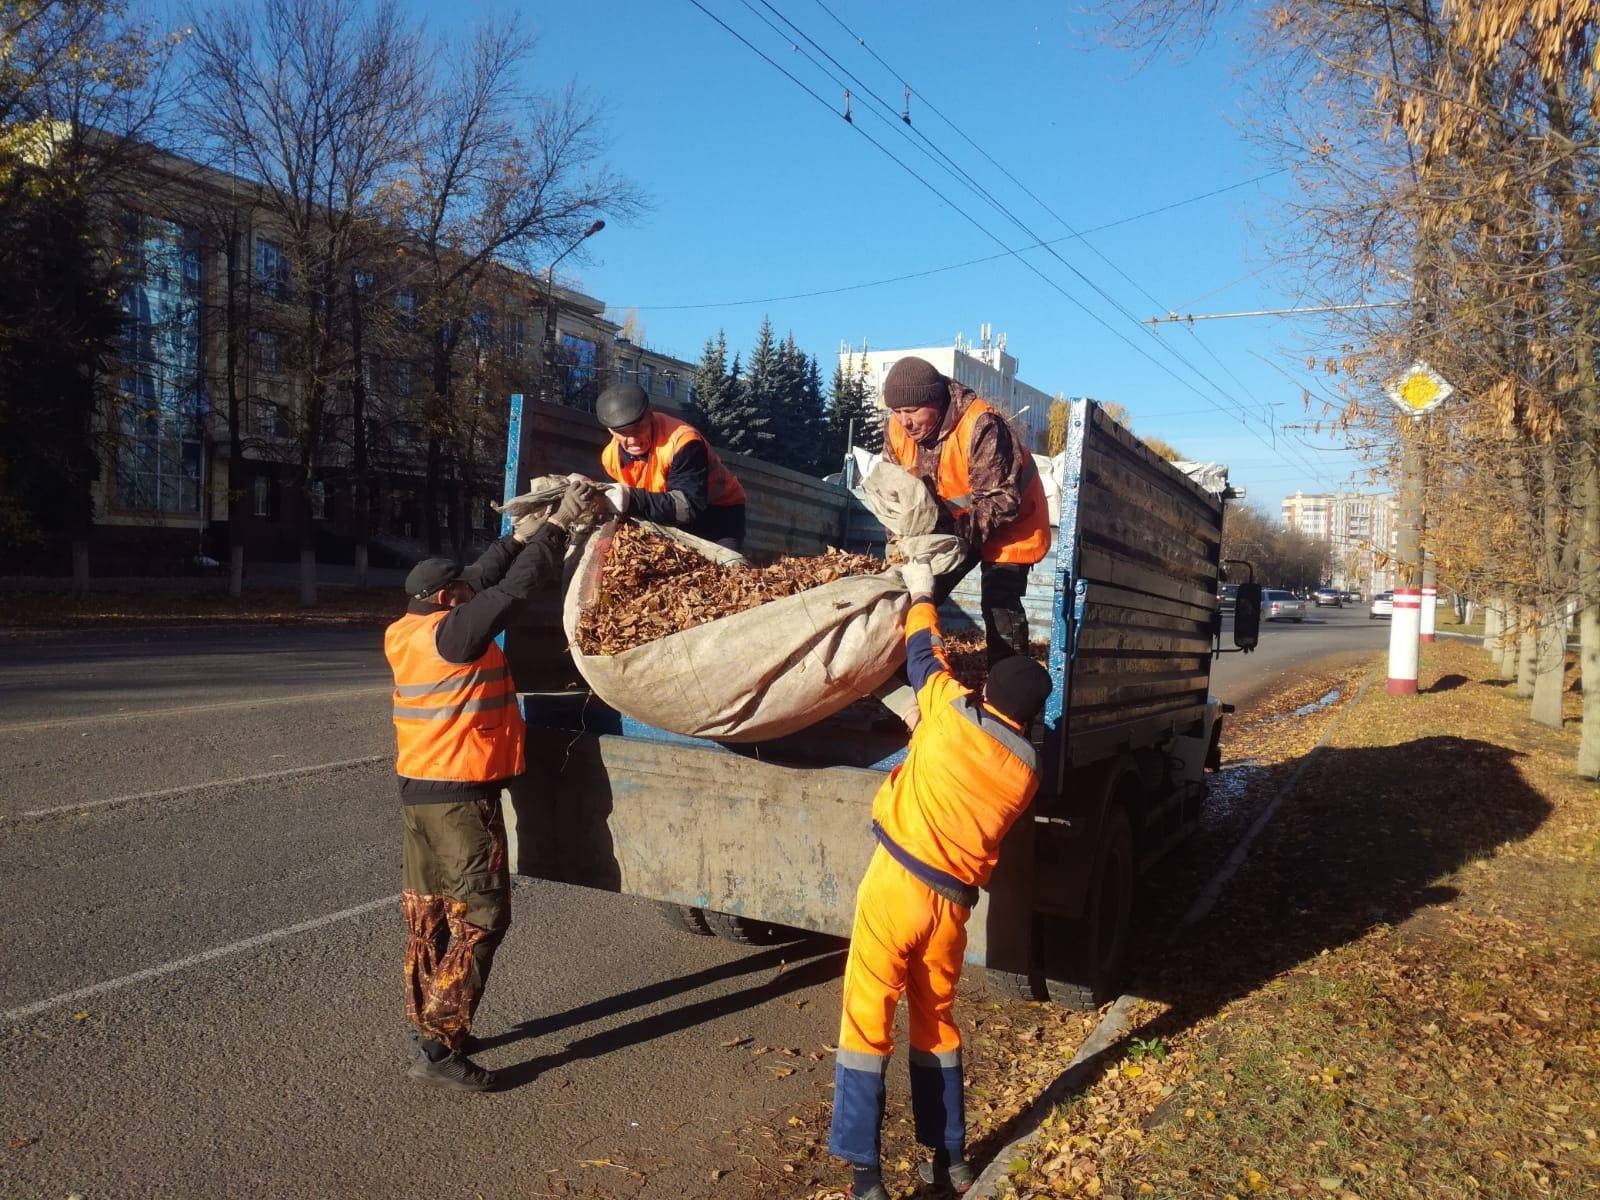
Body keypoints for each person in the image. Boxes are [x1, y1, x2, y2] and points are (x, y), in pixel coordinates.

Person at [829, 559, 1052, 1199]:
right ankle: (949, 1162)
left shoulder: (951, 715)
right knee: (938, 1025)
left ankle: (865, 1174)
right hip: (952, 910)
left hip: (897, 887)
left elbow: (924, 654)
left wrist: (923, 591)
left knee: (868, 1019)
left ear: (988, 695)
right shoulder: (1026, 770)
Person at [385, 480, 599, 1092]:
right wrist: (558, 526)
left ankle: (428, 1021)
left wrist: (523, 534)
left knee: (428, 915)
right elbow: (510, 591)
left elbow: (483, 576)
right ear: (448, 597)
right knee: (482, 915)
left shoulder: (410, 628)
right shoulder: (459, 633)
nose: (467, 592)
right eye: (461, 591)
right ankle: (440, 1048)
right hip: (458, 800)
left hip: (419, 796)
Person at [880, 357, 1050, 665]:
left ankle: (1006, 695)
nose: (904, 421)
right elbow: (896, 497)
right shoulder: (896, 429)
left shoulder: (981, 424)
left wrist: (943, 540)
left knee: (1000, 602)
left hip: (1011, 522)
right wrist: (900, 548)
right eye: (897, 411)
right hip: (950, 525)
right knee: (912, 593)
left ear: (937, 401)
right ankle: (909, 681)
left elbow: (999, 501)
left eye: (912, 411)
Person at [592, 380, 748, 551]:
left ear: (650, 415)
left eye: (638, 429)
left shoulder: (684, 442)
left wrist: (632, 498)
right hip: (665, 514)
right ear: (611, 431)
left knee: (725, 567)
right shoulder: (610, 458)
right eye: (623, 434)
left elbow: (688, 507)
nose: (633, 440)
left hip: (719, 515)